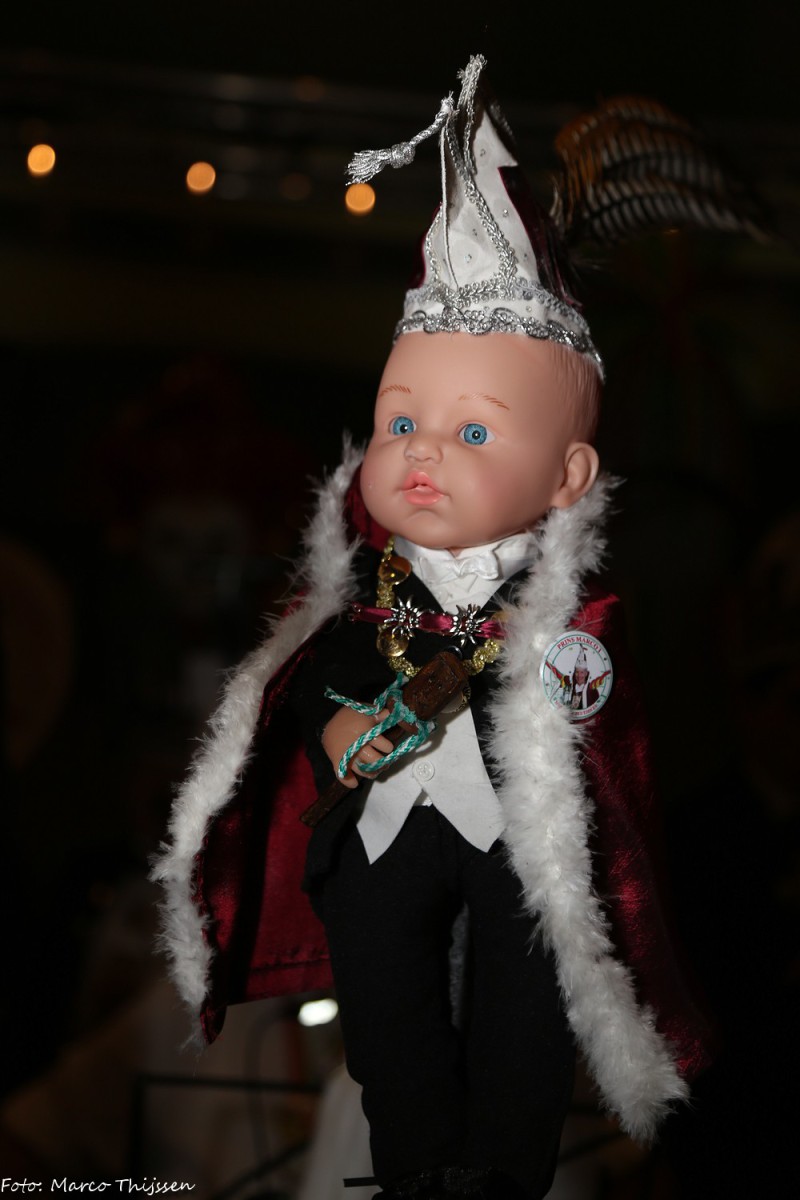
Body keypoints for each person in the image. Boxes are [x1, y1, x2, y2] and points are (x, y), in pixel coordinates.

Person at [154, 57, 715, 1200]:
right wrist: (336, 730)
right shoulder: (369, 595)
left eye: (472, 433)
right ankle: (412, 1166)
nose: (420, 451)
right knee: (385, 1002)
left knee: (526, 1005)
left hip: (515, 832)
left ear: (566, 477)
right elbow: (322, 673)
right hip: (381, 827)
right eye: (399, 420)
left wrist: (543, 695)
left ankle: (501, 1170)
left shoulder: (574, 619)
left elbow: (601, 739)